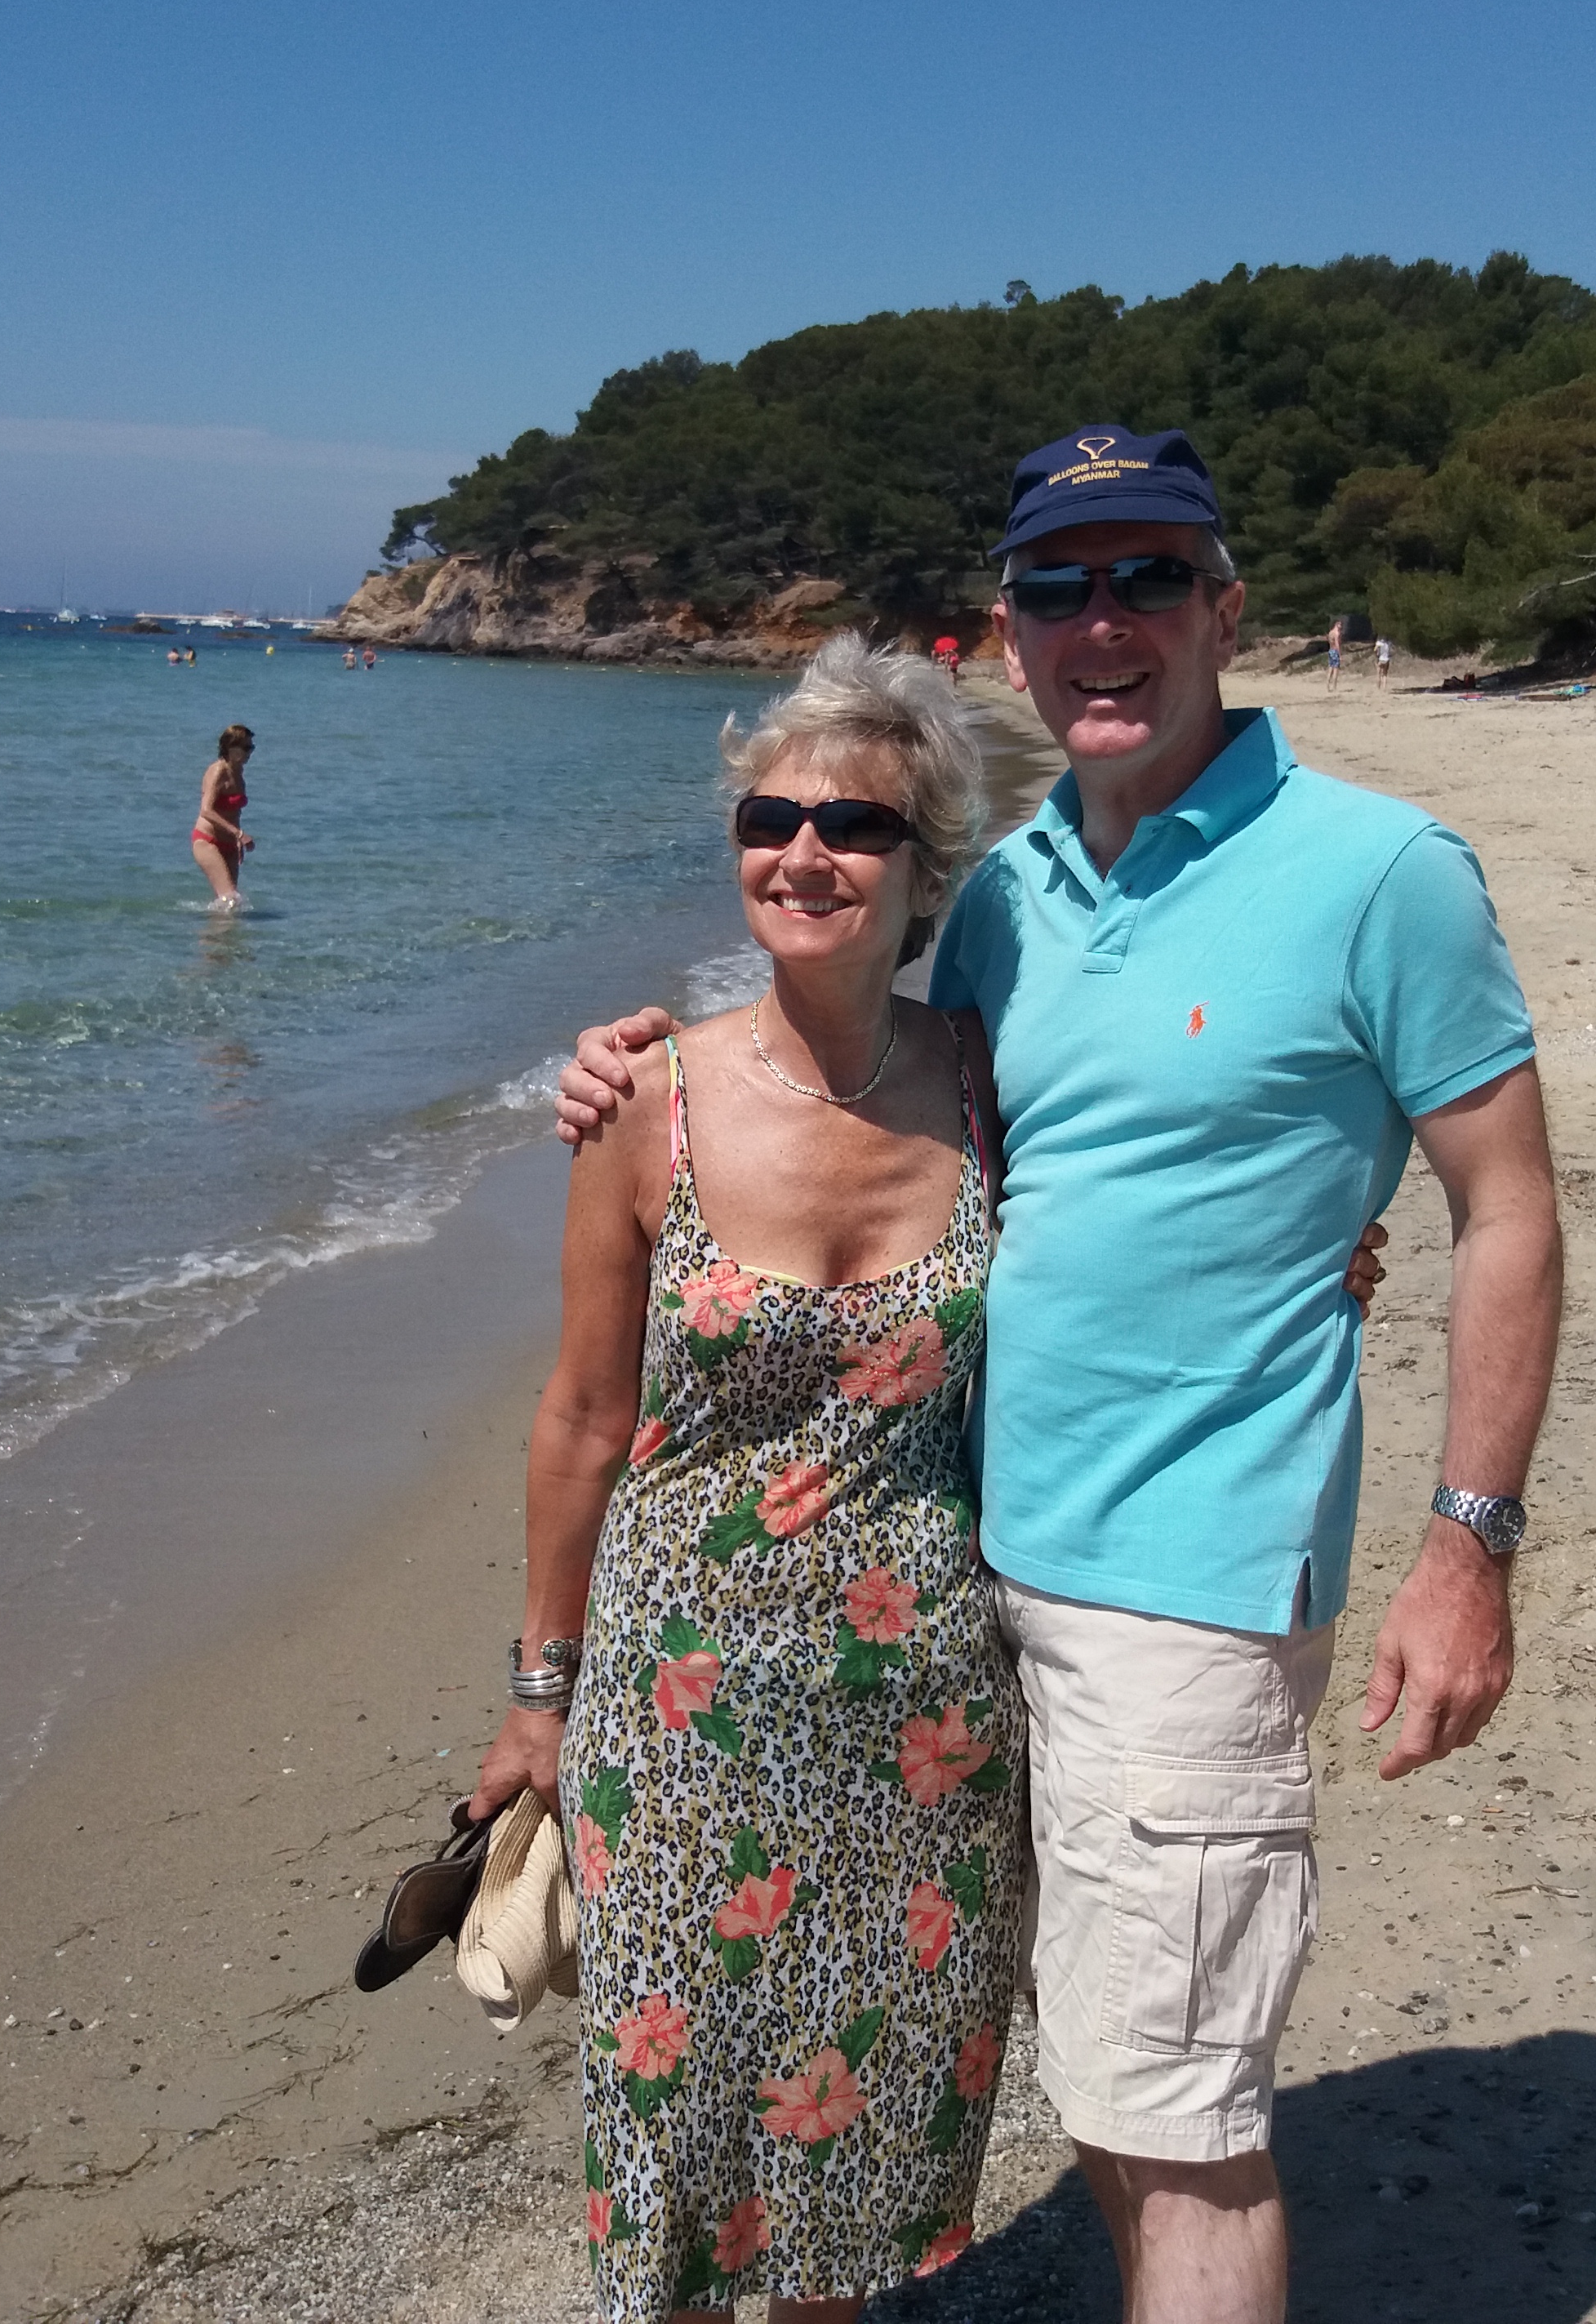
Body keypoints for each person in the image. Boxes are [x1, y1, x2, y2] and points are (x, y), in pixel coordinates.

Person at [561, 425, 1562, 2323]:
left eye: (1146, 577)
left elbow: (1504, 1204)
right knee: (1093, 2086)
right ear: (1009, 629)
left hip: (1181, 1586)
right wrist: (634, 1066)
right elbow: (914, 1097)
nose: (1102, 621)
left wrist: (1466, 1540)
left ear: (1224, 608)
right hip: (962, 1589)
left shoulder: (1381, 872)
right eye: (1057, 586)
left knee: (1171, 2121)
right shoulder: (1009, 902)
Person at [474, 641, 1025, 2319]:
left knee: (848, 2174)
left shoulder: (994, 1085)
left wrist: (1316, 1249)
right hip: (678, 1720)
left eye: (852, 824)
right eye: (767, 818)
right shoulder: (646, 1096)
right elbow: (582, 1416)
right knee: (678, 2150)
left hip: (921, 1727)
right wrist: (536, 1696)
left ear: (925, 865)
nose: (801, 852)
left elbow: (1170, 1206)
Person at [191, 723, 255, 909]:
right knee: (231, 899)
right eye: (246, 748)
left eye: (251, 747)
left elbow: (235, 812)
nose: (250, 752)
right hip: (207, 841)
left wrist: (236, 840)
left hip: (230, 844)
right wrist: (239, 834)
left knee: (229, 903)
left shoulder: (238, 772)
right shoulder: (218, 771)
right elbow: (206, 810)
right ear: (231, 748)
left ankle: (217, 927)